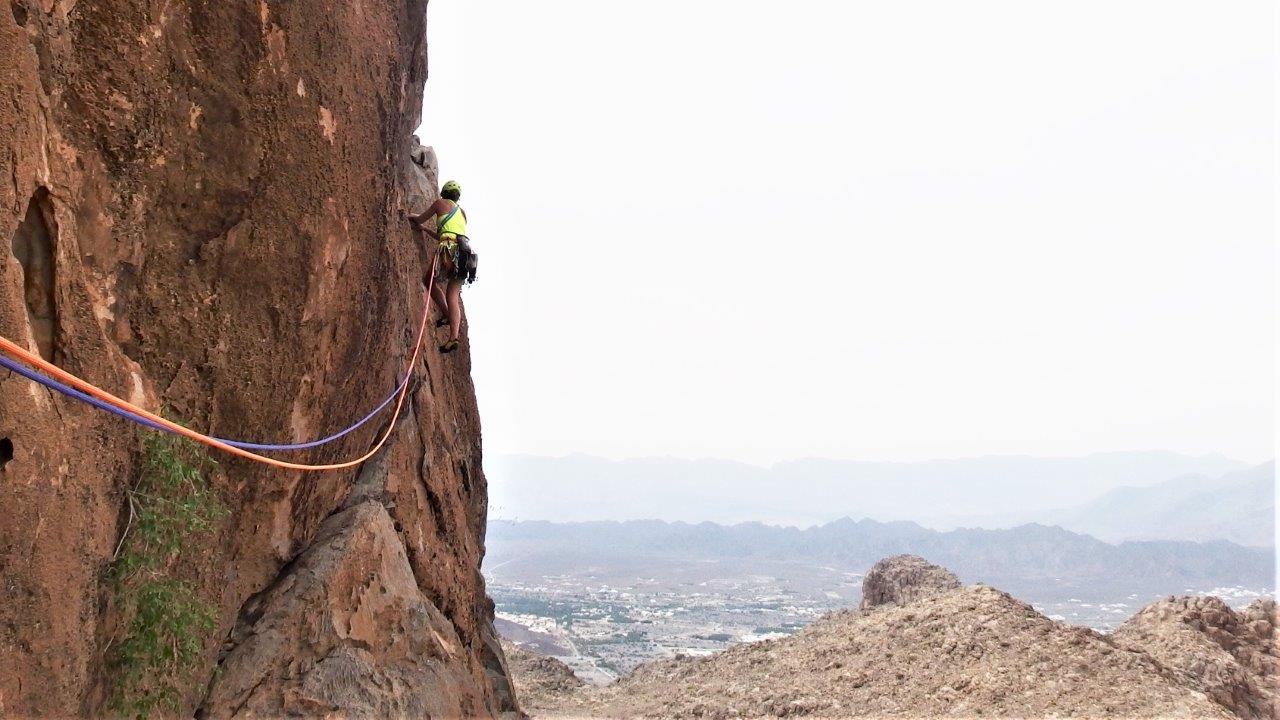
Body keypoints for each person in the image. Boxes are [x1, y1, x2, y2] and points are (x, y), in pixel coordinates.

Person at [410, 180, 469, 353]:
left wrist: (415, 219)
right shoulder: (463, 213)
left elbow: (420, 218)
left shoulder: (439, 203)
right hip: (465, 254)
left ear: (443, 192)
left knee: (429, 280)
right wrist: (427, 232)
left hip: (449, 249)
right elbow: (451, 233)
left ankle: (446, 314)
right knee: (453, 296)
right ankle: (453, 337)